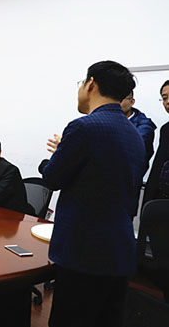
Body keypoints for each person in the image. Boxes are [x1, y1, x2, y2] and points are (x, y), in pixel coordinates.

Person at [42, 61, 145, 327]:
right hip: (118, 254)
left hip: (83, 255)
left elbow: (52, 178)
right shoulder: (134, 134)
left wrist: (54, 157)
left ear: (91, 84)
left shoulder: (83, 127)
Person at [142, 80, 169, 205]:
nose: (168, 102)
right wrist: (147, 202)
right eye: (164, 98)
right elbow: (158, 167)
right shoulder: (166, 129)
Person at [120, 90, 156, 171]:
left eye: (120, 99)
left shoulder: (144, 125)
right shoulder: (106, 119)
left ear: (132, 102)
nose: (115, 103)